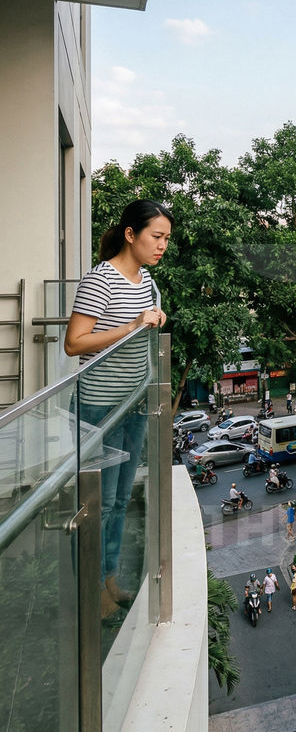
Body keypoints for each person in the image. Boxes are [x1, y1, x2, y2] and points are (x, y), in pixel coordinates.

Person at [64, 199, 171, 624]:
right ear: (131, 234)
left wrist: (154, 317)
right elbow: (75, 343)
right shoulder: (100, 279)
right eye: (156, 237)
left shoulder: (145, 280)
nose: (162, 246)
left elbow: (144, 325)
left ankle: (107, 579)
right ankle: (89, 590)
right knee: (101, 503)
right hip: (98, 404)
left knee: (122, 498)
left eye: (166, 239)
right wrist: (131, 326)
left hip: (135, 401)